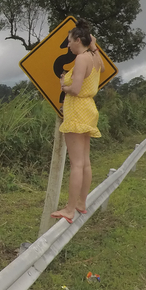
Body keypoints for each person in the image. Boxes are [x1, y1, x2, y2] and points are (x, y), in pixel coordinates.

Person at [51, 19, 104, 223]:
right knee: (85, 162)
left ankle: (70, 209)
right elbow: (102, 70)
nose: (68, 45)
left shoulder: (81, 58)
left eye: (69, 41)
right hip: (88, 110)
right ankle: (81, 203)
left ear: (78, 40)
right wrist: (94, 46)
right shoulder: (94, 57)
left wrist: (63, 85)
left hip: (77, 110)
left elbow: (75, 89)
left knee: (76, 164)